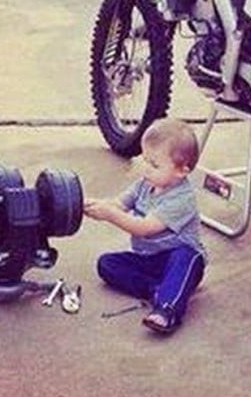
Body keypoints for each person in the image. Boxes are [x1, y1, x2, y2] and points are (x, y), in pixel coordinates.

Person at [84, 117, 206, 335]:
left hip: (177, 259)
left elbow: (143, 228)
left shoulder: (181, 199)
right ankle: (159, 290)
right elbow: (118, 204)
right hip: (149, 258)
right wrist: (94, 205)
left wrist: (109, 215)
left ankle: (167, 311)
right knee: (107, 264)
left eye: (154, 165)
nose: (146, 169)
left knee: (187, 256)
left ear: (181, 171)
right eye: (145, 159)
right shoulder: (144, 184)